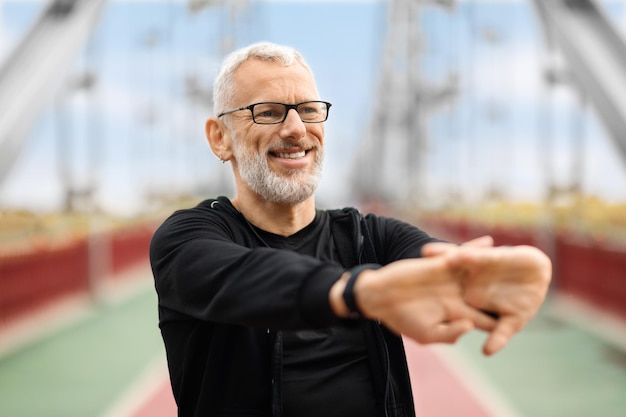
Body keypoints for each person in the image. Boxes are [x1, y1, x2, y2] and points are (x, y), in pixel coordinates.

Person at [149, 41, 552, 417]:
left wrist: (485, 280)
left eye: (308, 109)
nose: (295, 129)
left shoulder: (372, 238)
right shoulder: (186, 239)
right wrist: (359, 292)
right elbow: (243, 279)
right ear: (220, 138)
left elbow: (446, 271)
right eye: (268, 112)